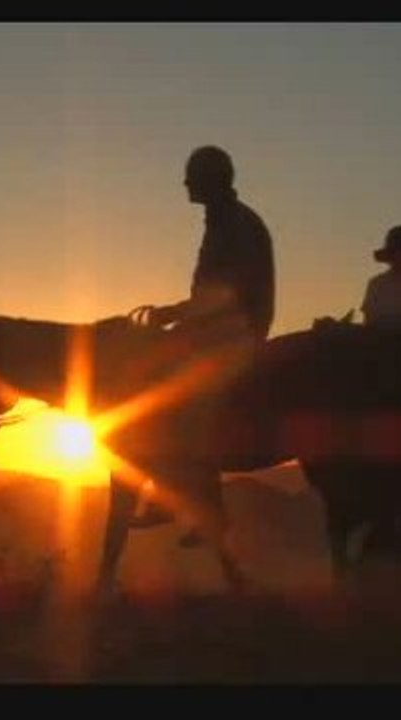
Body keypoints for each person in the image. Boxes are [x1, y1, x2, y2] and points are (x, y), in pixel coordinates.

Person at [129, 146, 276, 548]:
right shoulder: (225, 221)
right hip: (218, 325)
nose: (186, 185)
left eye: (192, 177)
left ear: (211, 180)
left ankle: (191, 503)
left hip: (232, 329)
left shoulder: (235, 225)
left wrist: (172, 314)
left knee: (176, 398)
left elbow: (227, 293)